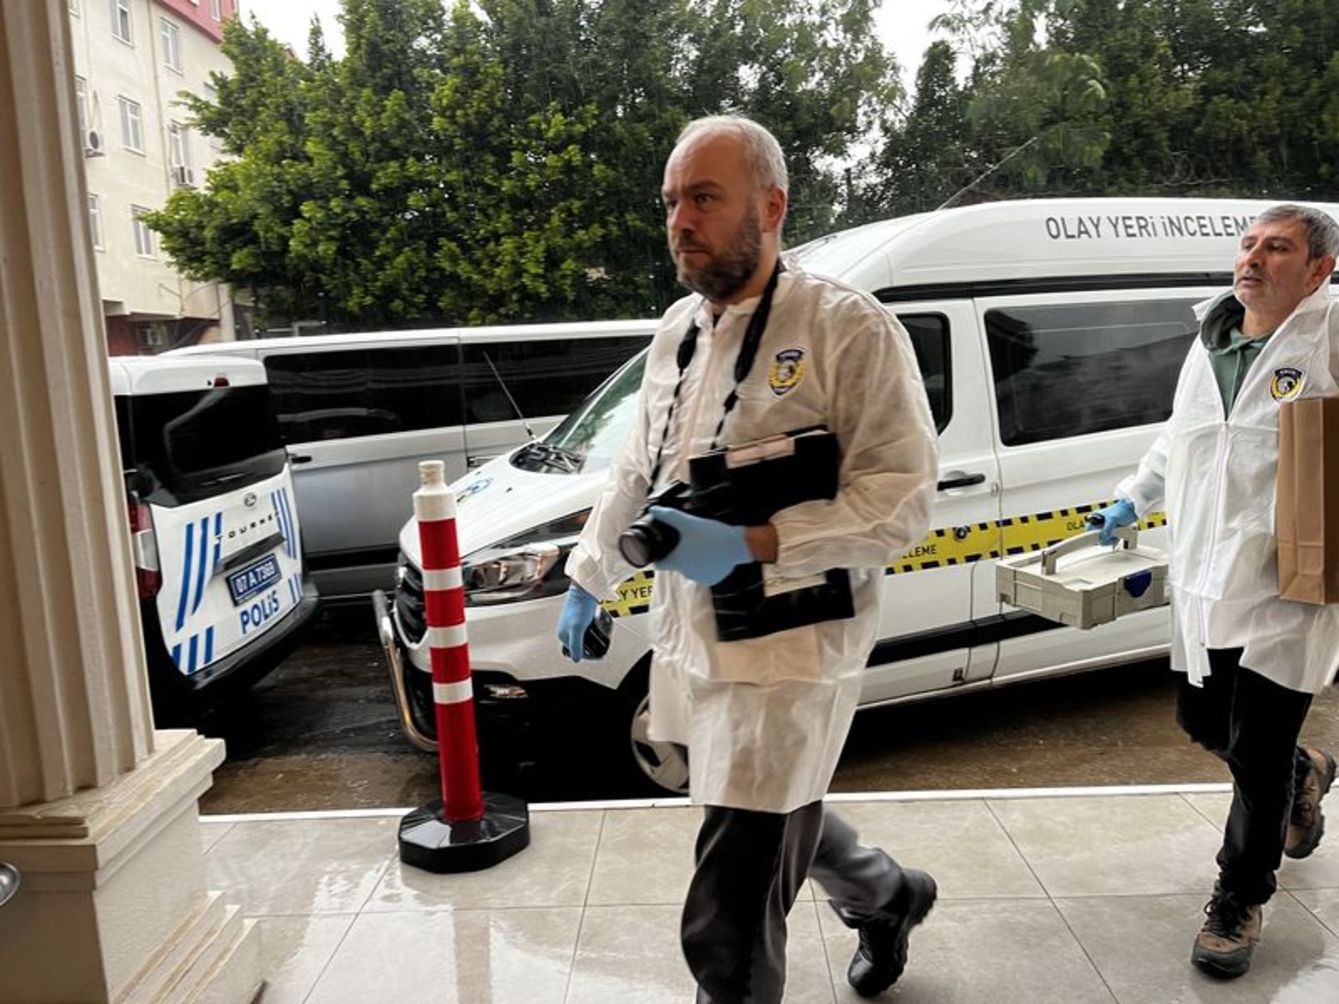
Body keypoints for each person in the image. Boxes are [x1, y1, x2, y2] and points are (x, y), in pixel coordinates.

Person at [555, 115, 940, 1003]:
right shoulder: (676, 332)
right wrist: (589, 577)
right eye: (670, 202)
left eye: (703, 197)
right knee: (764, 810)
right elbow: (635, 469)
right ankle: (888, 895)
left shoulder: (847, 328)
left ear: (770, 207)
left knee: (727, 913)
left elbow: (901, 503)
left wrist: (755, 543)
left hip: (791, 654)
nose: (679, 222)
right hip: (693, 636)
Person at [1091, 203, 1339, 979]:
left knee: (1254, 752)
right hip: (1203, 578)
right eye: (1248, 244)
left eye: (1277, 248)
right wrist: (1133, 496)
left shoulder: (1330, 335)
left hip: (1287, 586)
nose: (1253, 259)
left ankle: (1238, 896)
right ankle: (1304, 772)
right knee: (1202, 720)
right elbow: (1180, 435)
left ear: (1319, 270)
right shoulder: (1211, 338)